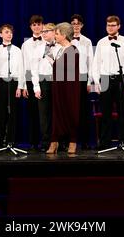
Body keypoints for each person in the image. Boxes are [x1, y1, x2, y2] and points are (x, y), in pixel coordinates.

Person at [92, 15, 124, 149]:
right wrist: (96, 82)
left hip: (120, 78)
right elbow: (96, 63)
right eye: (108, 25)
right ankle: (105, 142)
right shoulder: (101, 42)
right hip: (104, 78)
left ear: (118, 26)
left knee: (122, 112)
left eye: (113, 25)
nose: (110, 28)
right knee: (105, 112)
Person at [46, 22, 80, 154]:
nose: (55, 35)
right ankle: (54, 141)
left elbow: (69, 71)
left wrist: (54, 64)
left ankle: (72, 141)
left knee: (70, 112)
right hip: (58, 86)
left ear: (64, 35)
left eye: (57, 33)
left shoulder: (73, 50)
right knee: (57, 113)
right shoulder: (59, 49)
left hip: (69, 88)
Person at [0, 24, 25, 148]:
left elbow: (21, 68)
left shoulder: (17, 50)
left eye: (10, 32)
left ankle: (11, 140)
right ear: (1, 34)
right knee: (0, 112)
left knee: (13, 113)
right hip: (0, 82)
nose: (9, 34)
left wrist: (20, 86)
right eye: (6, 32)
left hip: (14, 82)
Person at [31, 23, 61, 152]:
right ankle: (46, 142)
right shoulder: (38, 49)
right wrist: (36, 87)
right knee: (44, 114)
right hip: (43, 82)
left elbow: (65, 68)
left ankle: (60, 142)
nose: (43, 33)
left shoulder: (61, 47)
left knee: (58, 113)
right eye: (42, 31)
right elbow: (34, 69)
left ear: (54, 32)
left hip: (58, 82)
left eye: (47, 31)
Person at [70, 14, 94, 149]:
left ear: (82, 25)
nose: (76, 26)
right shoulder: (66, 40)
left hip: (83, 78)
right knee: (70, 110)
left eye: (78, 23)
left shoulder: (87, 41)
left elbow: (91, 62)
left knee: (83, 111)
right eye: (73, 23)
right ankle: (70, 141)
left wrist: (90, 81)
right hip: (69, 78)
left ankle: (84, 141)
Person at [21, 15, 45, 150]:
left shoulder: (48, 41)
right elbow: (24, 65)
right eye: (34, 24)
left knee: (45, 111)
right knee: (33, 112)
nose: (36, 27)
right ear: (31, 27)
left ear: (43, 26)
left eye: (39, 24)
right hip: (30, 79)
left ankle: (46, 142)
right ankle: (33, 142)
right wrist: (24, 85)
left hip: (44, 77)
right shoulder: (26, 44)